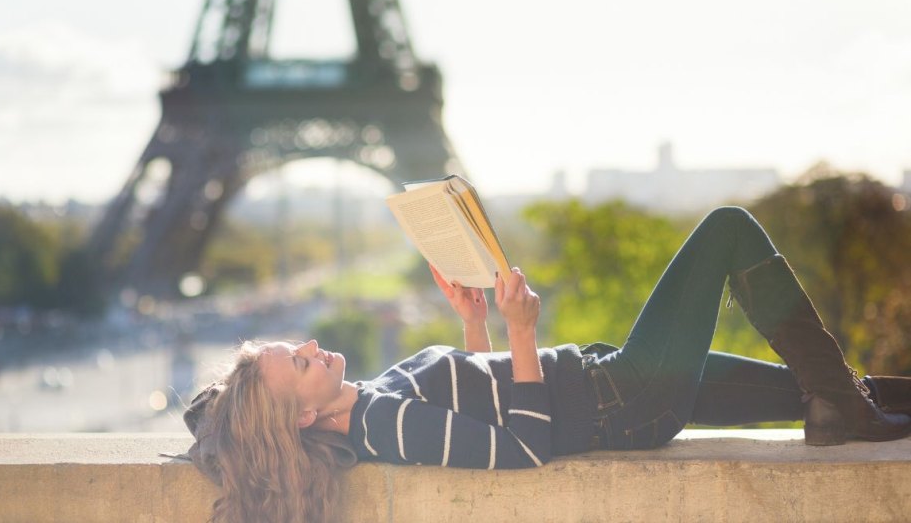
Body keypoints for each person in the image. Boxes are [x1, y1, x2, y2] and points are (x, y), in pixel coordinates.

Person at [184, 206, 911, 523]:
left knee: (827, 384)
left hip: (618, 387)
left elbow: (480, 403)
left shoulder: (369, 408)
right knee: (726, 229)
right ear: (305, 415)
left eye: (299, 348)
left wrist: (473, 324)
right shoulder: (381, 422)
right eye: (300, 365)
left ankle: (838, 407)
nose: (312, 349)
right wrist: (520, 329)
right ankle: (837, 410)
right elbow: (522, 446)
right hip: (624, 398)